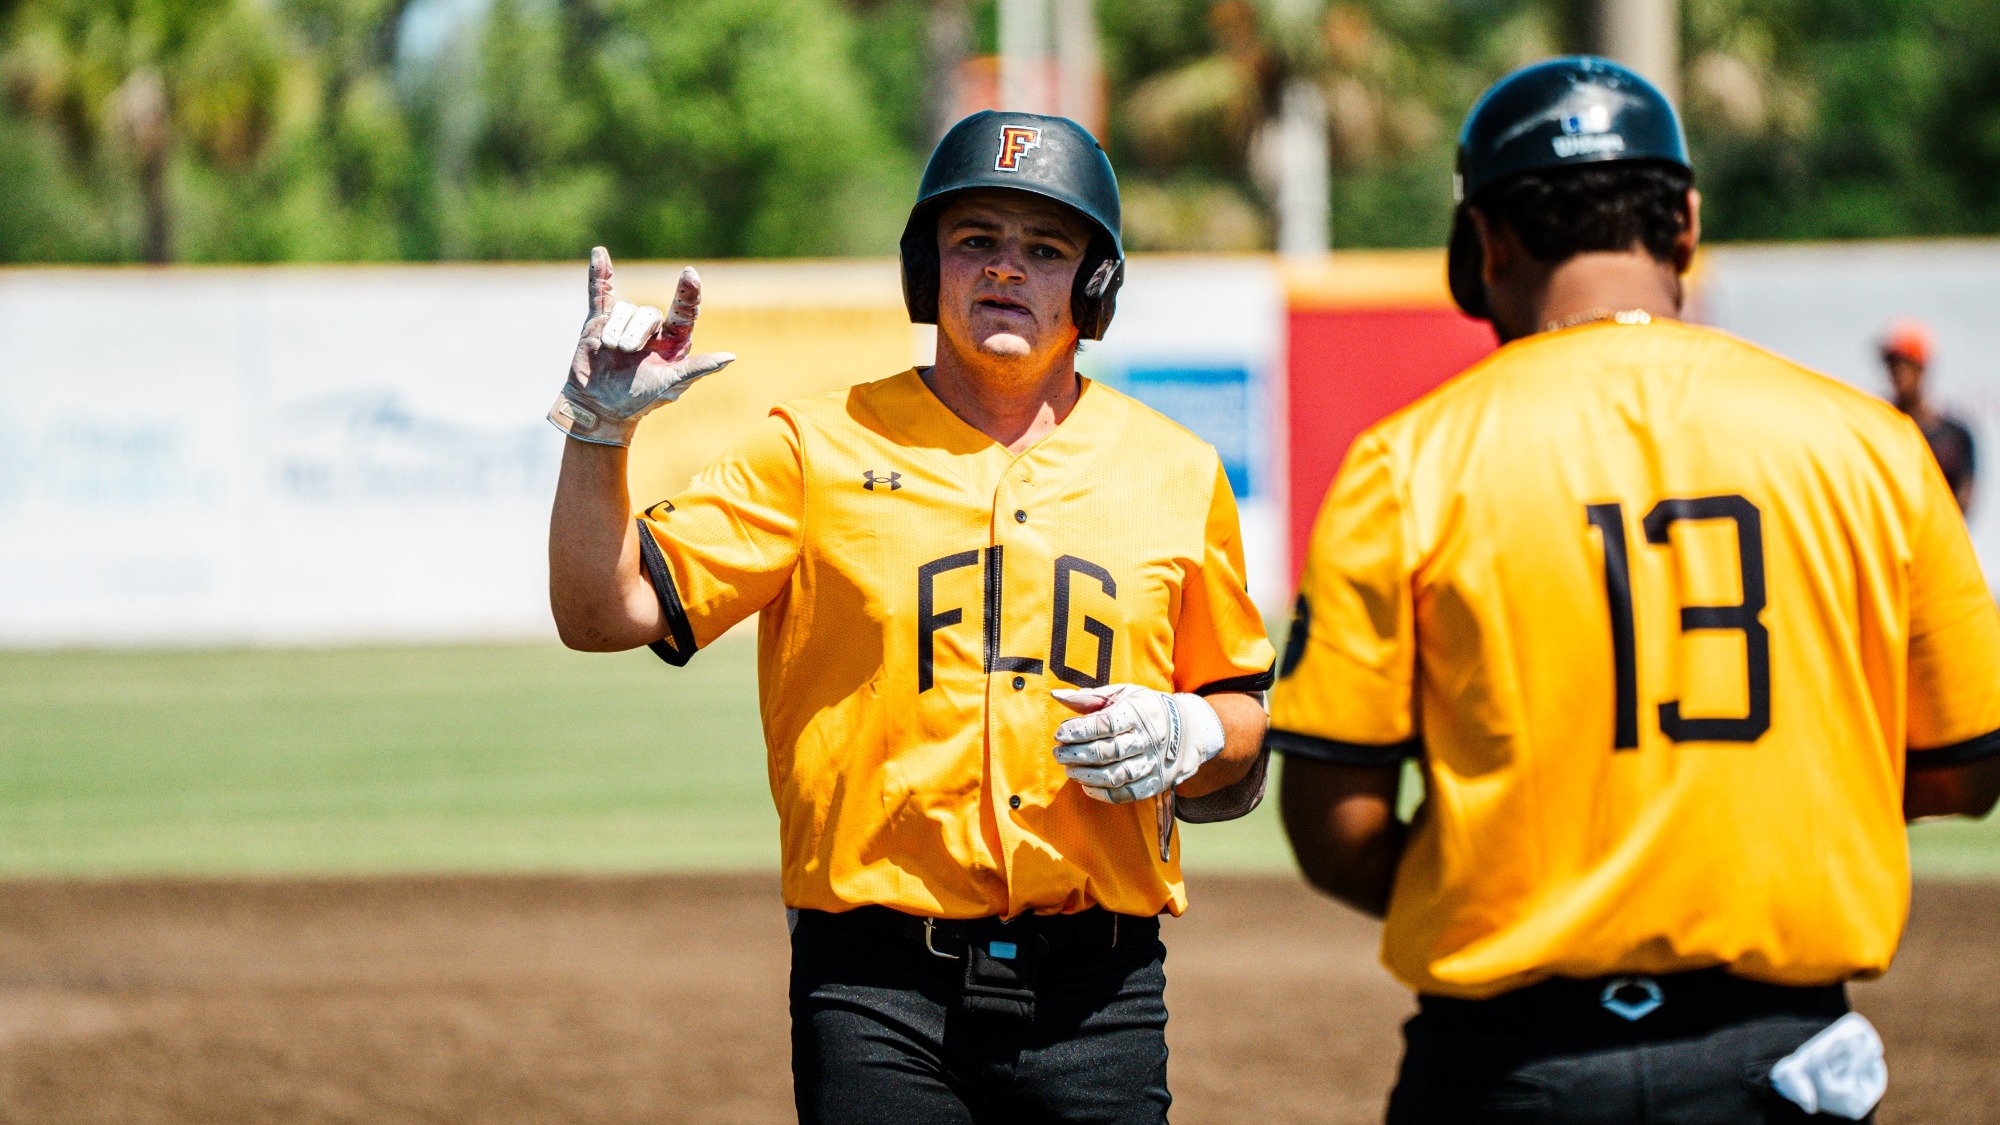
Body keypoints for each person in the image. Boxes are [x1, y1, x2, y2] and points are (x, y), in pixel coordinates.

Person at [1270, 57, 2000, 1124]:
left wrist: (1516, 872)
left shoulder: (1405, 463)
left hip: (1508, 1068)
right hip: (1781, 1060)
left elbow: (1331, 822)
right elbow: (1967, 766)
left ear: (1484, 241)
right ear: (1685, 223)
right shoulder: (1872, 448)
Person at [546, 110, 1275, 1124]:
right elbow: (601, 610)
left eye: (1045, 247)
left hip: (1099, 1002)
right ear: (924, 269)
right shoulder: (811, 448)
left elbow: (1240, 722)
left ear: (1093, 284)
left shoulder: (1177, 472)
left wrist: (1195, 728)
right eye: (974, 239)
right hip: (876, 990)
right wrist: (597, 431)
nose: (1005, 270)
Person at [1880, 318, 1977, 512]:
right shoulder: (1879, 424)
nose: (1896, 372)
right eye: (1891, 364)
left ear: (1920, 368)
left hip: (1936, 533)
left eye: (1903, 363)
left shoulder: (1953, 434)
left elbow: (1964, 500)